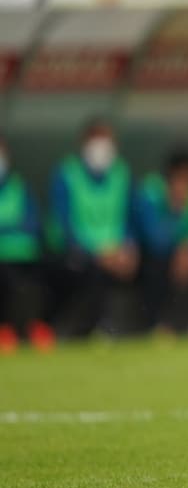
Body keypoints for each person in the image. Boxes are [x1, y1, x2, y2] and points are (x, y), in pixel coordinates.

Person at [45, 117, 139, 338]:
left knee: (149, 264)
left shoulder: (121, 173)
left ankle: (154, 326)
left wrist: (129, 248)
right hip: (76, 252)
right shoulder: (67, 173)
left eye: (107, 141)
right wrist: (97, 254)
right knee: (91, 271)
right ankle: (84, 329)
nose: (101, 149)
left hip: (115, 253)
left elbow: (130, 218)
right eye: (96, 141)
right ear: (83, 143)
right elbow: (62, 225)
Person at [132, 146, 188, 341]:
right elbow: (152, 239)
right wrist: (175, 212)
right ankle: (156, 324)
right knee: (155, 264)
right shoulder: (151, 193)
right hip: (159, 256)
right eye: (185, 176)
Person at [0, 134, 54, 353]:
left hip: (24, 255)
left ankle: (33, 326)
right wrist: (13, 227)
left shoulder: (20, 187)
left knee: (47, 272)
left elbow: (33, 224)